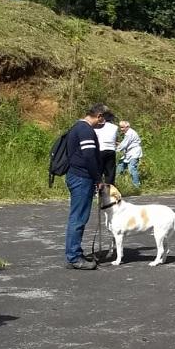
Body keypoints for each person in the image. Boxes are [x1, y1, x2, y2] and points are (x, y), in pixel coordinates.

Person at [63, 103, 108, 269]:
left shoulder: (77, 127)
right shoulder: (85, 130)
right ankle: (74, 257)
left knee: (78, 216)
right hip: (82, 178)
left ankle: (75, 254)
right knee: (78, 218)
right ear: (99, 116)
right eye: (104, 119)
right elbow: (89, 156)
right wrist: (98, 179)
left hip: (77, 176)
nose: (104, 123)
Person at [115, 119, 143, 188]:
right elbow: (125, 143)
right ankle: (117, 182)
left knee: (132, 168)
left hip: (134, 153)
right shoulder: (128, 133)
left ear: (127, 127)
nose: (121, 129)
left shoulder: (129, 134)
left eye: (122, 127)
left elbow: (124, 145)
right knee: (120, 165)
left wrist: (115, 149)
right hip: (128, 153)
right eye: (120, 127)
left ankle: (136, 186)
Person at [97, 110, 119, 185]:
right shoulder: (115, 127)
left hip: (101, 149)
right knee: (110, 172)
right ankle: (107, 191)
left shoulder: (99, 127)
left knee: (99, 171)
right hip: (111, 150)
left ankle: (96, 189)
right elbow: (116, 139)